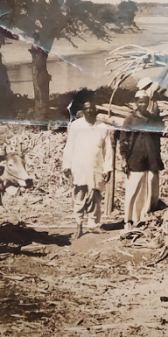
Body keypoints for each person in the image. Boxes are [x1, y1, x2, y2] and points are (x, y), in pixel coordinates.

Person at [62, 100, 113, 239]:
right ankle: (78, 224)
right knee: (79, 196)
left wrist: (108, 168)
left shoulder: (103, 127)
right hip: (79, 166)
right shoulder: (76, 126)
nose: (90, 111)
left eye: (92, 109)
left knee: (95, 196)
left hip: (96, 167)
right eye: (87, 109)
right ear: (83, 111)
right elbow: (70, 146)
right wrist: (67, 165)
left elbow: (108, 150)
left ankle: (93, 224)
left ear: (96, 111)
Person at [120, 90, 164, 231]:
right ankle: (128, 219)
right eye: (140, 102)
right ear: (136, 103)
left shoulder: (153, 119)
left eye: (145, 102)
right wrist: (123, 158)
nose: (142, 104)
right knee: (133, 189)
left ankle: (142, 218)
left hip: (150, 157)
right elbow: (124, 140)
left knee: (149, 188)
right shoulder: (130, 119)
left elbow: (161, 130)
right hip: (135, 157)